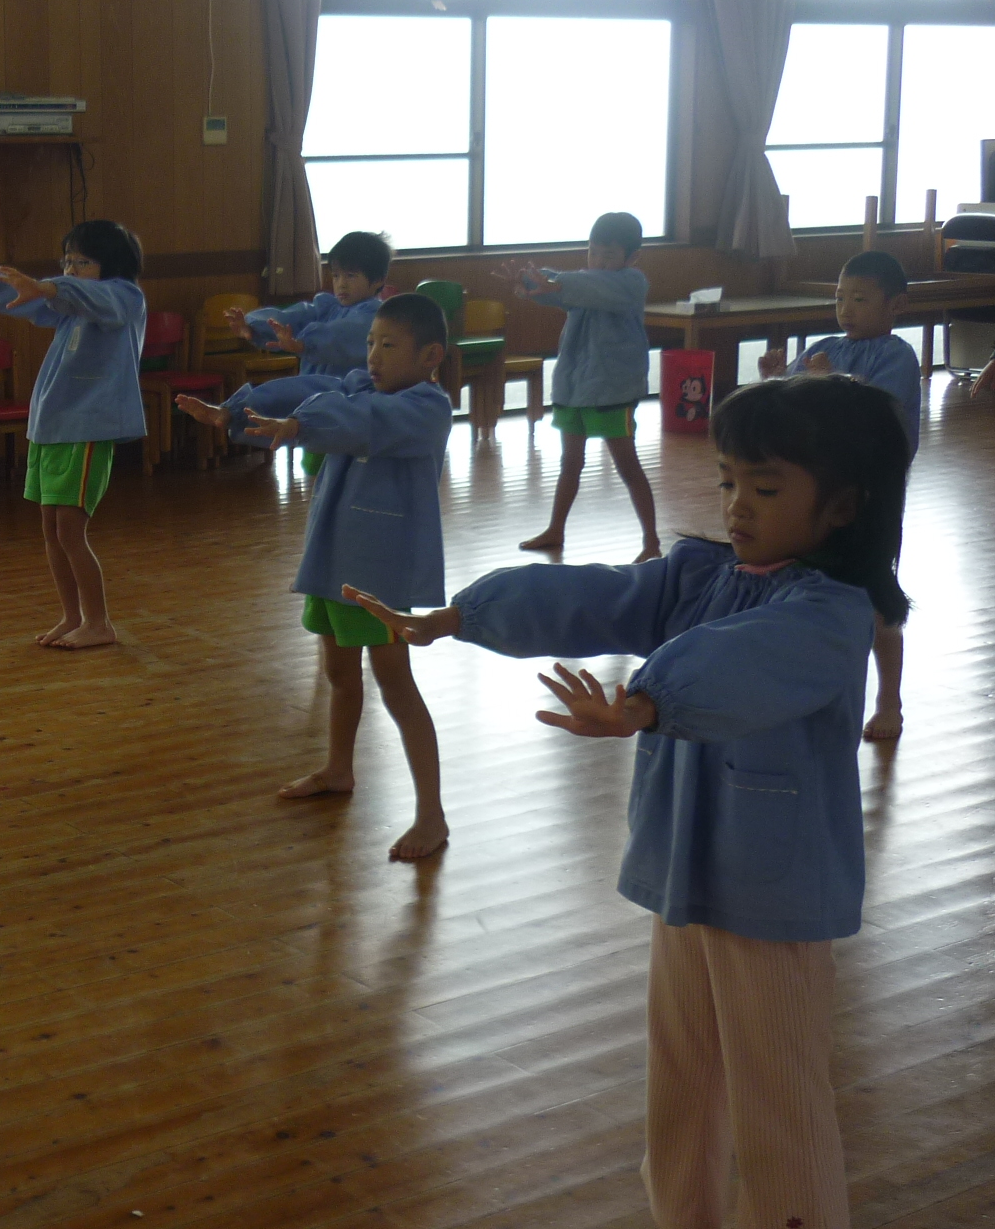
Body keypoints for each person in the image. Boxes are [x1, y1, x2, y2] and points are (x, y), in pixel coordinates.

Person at [350, 374, 913, 1229]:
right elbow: (598, 593)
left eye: (765, 489)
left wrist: (648, 702)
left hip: (773, 899)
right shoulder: (700, 575)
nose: (737, 505)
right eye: (728, 480)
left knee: (778, 1101)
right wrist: (461, 616)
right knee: (680, 1077)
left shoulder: (832, 612)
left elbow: (747, 659)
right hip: (685, 879)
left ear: (843, 506)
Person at [177, 293, 454, 862]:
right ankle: (338, 769)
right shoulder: (358, 386)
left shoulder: (425, 409)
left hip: (377, 573)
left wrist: (301, 425)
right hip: (333, 560)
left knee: (395, 684)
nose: (373, 355)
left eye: (389, 345)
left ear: (431, 355)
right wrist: (235, 412)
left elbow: (358, 421)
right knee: (338, 671)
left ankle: (432, 815)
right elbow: (306, 389)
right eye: (371, 342)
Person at [0, 220, 147, 650]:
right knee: (52, 530)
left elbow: (85, 294)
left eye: (82, 261)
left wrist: (48, 286)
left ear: (112, 263)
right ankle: (72, 616)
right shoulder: (68, 302)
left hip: (87, 428)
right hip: (51, 426)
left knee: (70, 531)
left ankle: (98, 623)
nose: (71, 269)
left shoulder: (125, 297)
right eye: (67, 260)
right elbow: (23, 294)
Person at [759, 250, 919, 742]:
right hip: (819, 494)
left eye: (860, 299)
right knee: (812, 587)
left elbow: (875, 411)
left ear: (895, 305)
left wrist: (830, 381)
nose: (846, 309)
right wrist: (773, 379)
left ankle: (889, 701)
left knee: (877, 597)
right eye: (839, 298)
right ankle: (810, 695)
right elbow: (790, 403)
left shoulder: (897, 356)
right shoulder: (824, 347)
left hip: (871, 496)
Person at [505, 210, 660, 562]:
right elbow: (556, 287)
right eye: (593, 252)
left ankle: (651, 542)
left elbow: (580, 286)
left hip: (612, 390)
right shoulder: (580, 283)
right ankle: (555, 529)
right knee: (570, 462)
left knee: (627, 464)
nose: (598, 261)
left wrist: (553, 283)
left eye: (608, 254)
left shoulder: (632, 283)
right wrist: (529, 281)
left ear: (632, 257)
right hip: (574, 387)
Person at [227, 230, 393, 478]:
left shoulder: (376, 316)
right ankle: (232, 414)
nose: (341, 283)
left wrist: (304, 344)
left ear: (378, 280)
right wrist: (253, 327)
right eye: (336, 275)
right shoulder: (327, 308)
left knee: (345, 477)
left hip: (349, 411)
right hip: (313, 407)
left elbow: (341, 335)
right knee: (319, 477)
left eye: (351, 276)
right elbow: (292, 317)